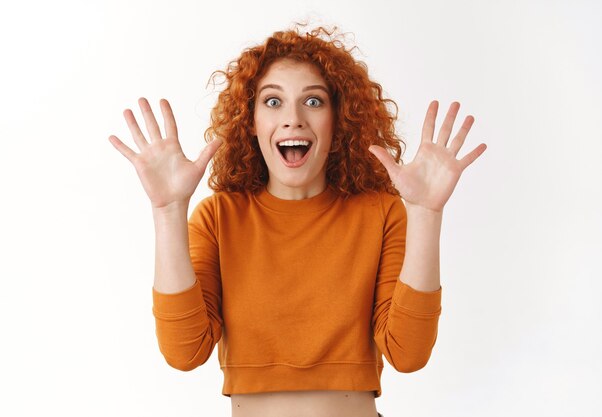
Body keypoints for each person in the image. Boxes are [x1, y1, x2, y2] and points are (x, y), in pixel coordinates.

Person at [108, 24, 487, 417]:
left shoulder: (381, 213)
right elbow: (184, 352)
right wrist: (168, 211)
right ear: (251, 122)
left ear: (338, 120)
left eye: (314, 102)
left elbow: (409, 354)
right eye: (273, 102)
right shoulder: (219, 217)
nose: (293, 119)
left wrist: (426, 214)